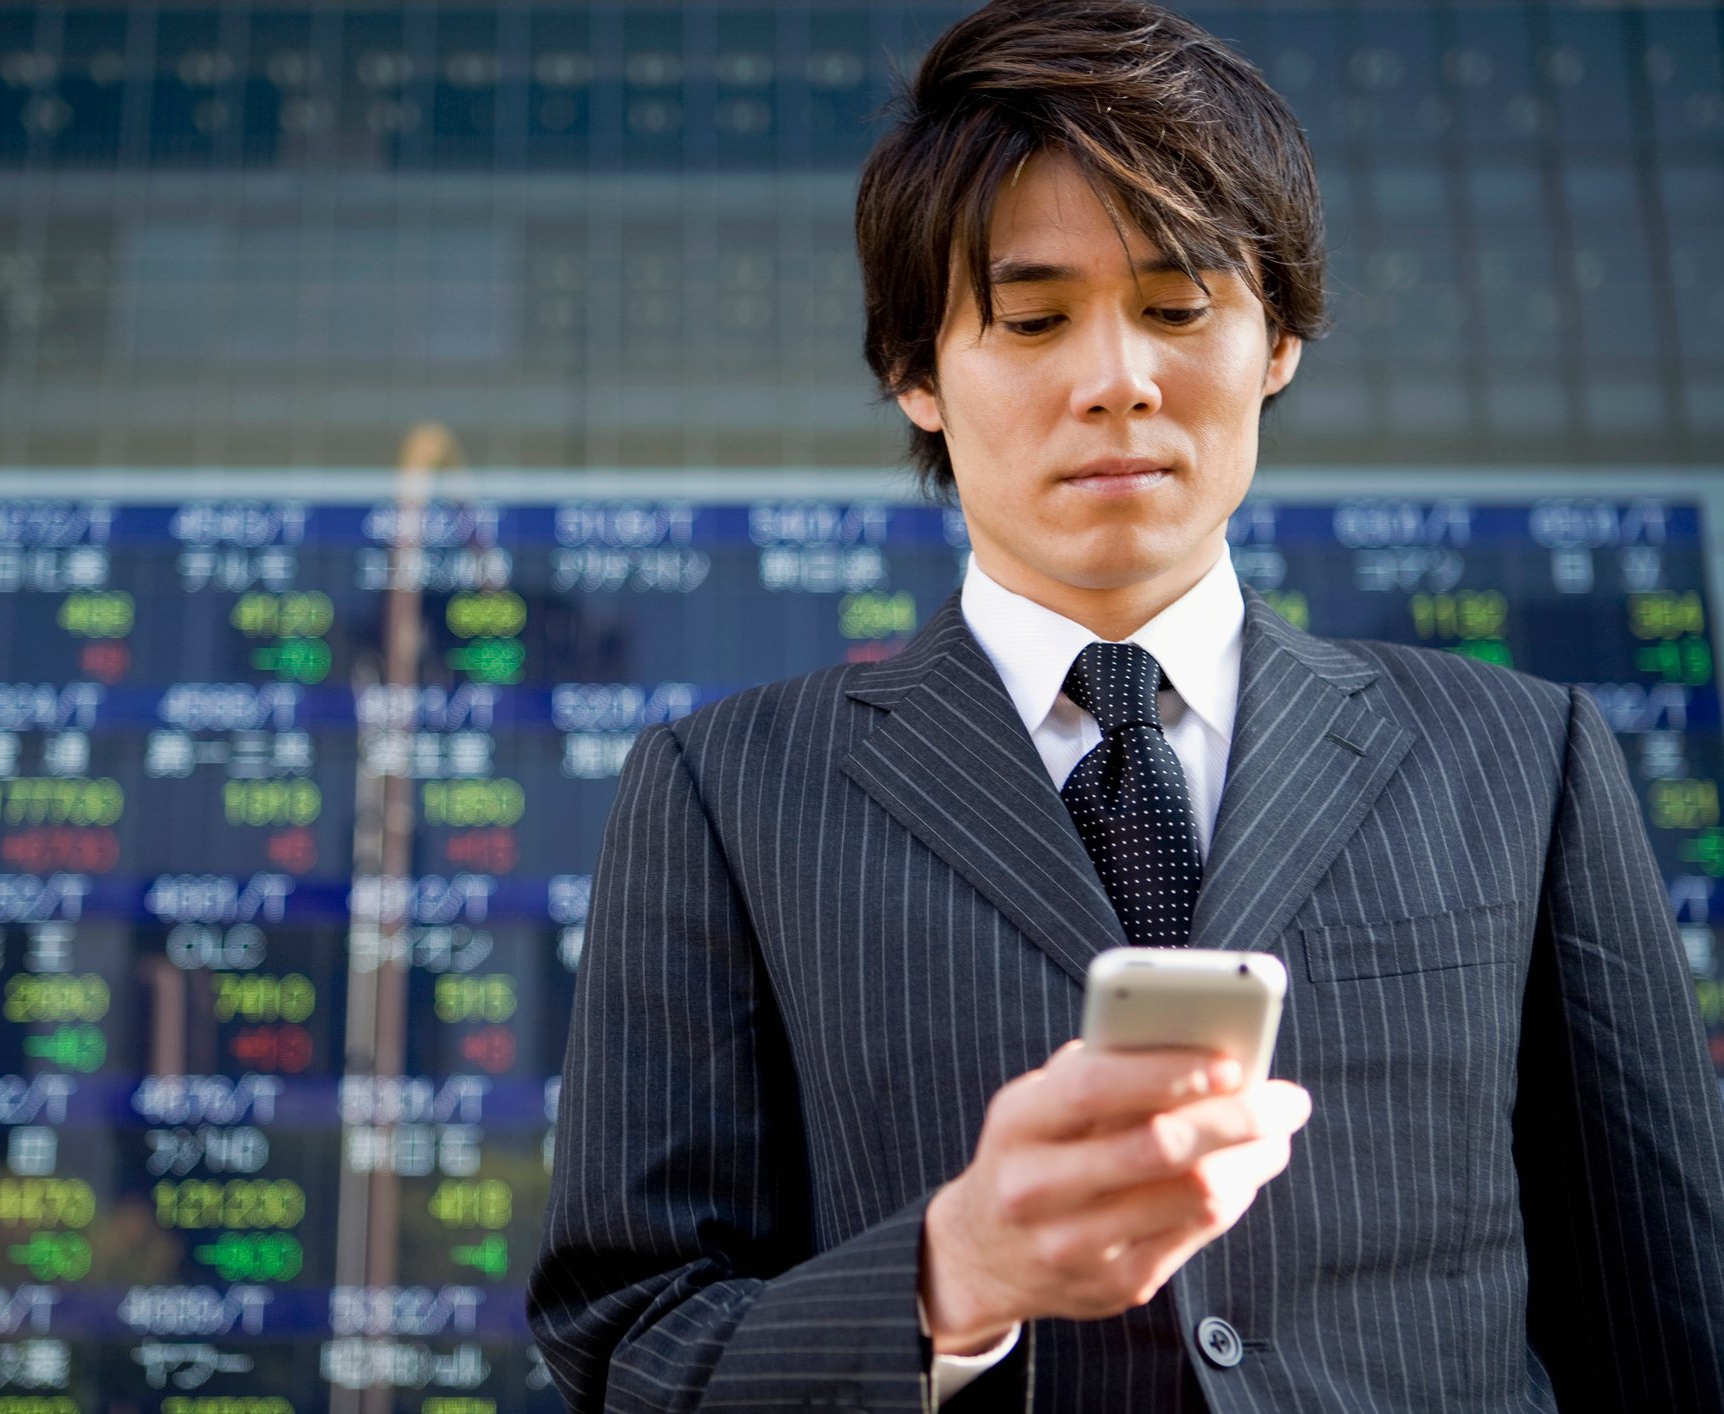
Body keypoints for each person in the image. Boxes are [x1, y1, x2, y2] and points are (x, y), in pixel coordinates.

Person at [525, 2, 1724, 1409]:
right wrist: (945, 1277)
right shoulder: (723, 794)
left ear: (1277, 337)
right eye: (1031, 319)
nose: (1116, 383)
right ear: (913, 372)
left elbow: (1667, 1326)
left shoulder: (1523, 763)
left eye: (1177, 309)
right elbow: (626, 1342)